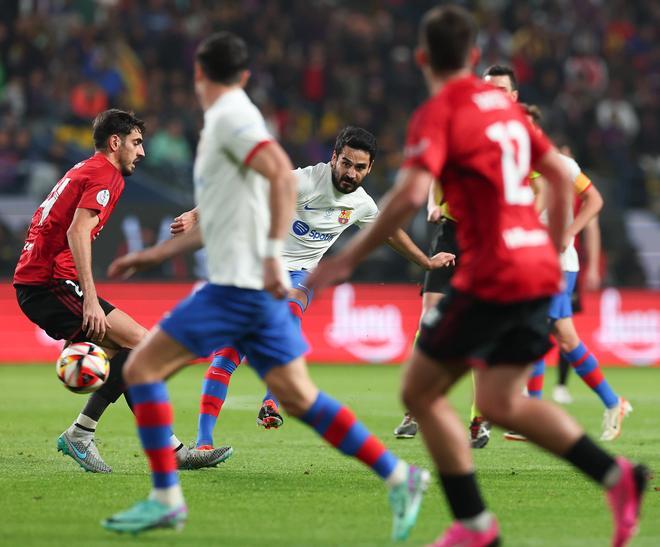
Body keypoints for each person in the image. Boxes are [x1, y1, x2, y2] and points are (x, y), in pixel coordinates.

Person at [306, 6, 648, 546]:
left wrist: (347, 260)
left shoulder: (439, 112)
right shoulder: (508, 110)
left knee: (419, 389)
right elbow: (561, 176)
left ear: (422, 58)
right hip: (537, 268)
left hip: (495, 272)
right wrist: (554, 238)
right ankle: (617, 476)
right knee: (500, 401)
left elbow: (411, 198)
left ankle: (474, 525)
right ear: (471, 58)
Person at [101, 32, 430, 537]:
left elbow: (276, 175)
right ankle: (399, 475)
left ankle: (167, 497)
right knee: (299, 398)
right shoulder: (236, 119)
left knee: (142, 366)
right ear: (246, 75)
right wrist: (163, 249)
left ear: (198, 74)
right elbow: (240, 203)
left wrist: (268, 254)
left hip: (244, 284)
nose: (351, 171)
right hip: (252, 283)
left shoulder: (232, 118)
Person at [167, 126, 455, 449]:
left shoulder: (361, 204)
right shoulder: (303, 182)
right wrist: (195, 215)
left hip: (301, 274)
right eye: (346, 163)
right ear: (334, 157)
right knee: (227, 356)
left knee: (290, 308)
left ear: (370, 168)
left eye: (360, 167)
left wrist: (427, 263)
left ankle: (271, 400)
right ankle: (204, 444)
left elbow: (390, 232)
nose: (351, 173)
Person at [12, 109, 230, 474]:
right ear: (116, 143)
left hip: (41, 281)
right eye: (136, 142)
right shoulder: (106, 173)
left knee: (128, 350)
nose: (142, 152)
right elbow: (76, 232)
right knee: (142, 347)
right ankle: (159, 449)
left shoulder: (83, 169)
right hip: (49, 283)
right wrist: (90, 301)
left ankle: (85, 435)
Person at [393, 63, 520, 446]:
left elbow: (543, 183)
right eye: (488, 88)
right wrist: (434, 203)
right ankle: (416, 407)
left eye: (500, 88)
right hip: (451, 232)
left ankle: (479, 419)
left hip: (490, 238)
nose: (492, 94)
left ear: (513, 96)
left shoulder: (521, 137)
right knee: (430, 319)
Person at [512, 105, 630, 442]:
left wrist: (570, 232)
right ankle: (612, 402)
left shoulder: (561, 165)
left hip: (558, 263)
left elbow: (594, 199)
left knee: (540, 329)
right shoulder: (516, 165)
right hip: (533, 261)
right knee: (564, 337)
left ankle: (534, 415)